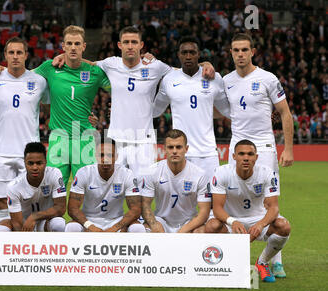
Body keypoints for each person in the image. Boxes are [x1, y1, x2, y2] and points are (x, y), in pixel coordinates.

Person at [53, 27, 215, 179]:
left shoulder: (155, 66)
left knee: (143, 194)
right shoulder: (110, 64)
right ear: (119, 45)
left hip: (143, 141)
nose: (130, 46)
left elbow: (181, 71)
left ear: (141, 45)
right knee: (110, 192)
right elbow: (87, 63)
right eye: (126, 42)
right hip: (116, 140)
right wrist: (64, 56)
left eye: (134, 42)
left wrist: (204, 64)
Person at [0, 25, 110, 184]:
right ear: (63, 46)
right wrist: (4, 69)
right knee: (52, 191)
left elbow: (119, 91)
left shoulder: (95, 72)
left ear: (84, 46)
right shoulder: (49, 67)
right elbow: (23, 76)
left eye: (77, 44)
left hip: (84, 138)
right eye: (69, 43)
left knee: (88, 191)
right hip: (58, 139)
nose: (73, 47)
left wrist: (106, 115)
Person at [223, 33, 294, 277]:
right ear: (230, 53)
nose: (240, 54)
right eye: (235, 50)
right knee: (236, 199)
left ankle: (273, 260)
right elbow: (221, 110)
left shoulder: (268, 79)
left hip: (264, 147)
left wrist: (289, 148)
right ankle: (232, 259)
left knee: (268, 202)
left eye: (244, 49)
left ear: (252, 51)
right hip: (237, 146)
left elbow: (285, 113)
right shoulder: (226, 80)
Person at [0, 37, 50, 225]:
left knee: (31, 200)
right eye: (11, 52)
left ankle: (28, 240)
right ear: (5, 55)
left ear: (26, 55)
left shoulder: (39, 81)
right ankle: (3, 238)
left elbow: (47, 106)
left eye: (19, 52)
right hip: (2, 151)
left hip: (29, 153)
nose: (15, 56)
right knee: (0, 201)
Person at [205, 140, 291, 283]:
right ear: (234, 156)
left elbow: (274, 207)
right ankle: (226, 265)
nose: (246, 158)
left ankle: (262, 262)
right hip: (230, 220)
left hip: (258, 220)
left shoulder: (267, 173)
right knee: (211, 226)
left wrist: (260, 224)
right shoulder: (222, 172)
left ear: (256, 157)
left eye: (250, 154)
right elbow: (217, 207)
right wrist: (232, 221)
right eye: (241, 154)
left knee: (284, 226)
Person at [153, 36, 230, 181]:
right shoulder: (169, 80)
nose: (188, 56)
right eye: (184, 52)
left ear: (198, 54)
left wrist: (256, 114)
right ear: (178, 55)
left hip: (207, 154)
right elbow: (155, 111)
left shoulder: (214, 78)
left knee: (210, 202)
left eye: (192, 52)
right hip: (180, 153)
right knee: (181, 203)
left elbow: (227, 110)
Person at [66, 139, 144, 232]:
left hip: (116, 220)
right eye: (101, 155)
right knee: (72, 227)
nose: (105, 159)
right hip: (89, 220)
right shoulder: (84, 173)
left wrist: (115, 227)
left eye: (110, 155)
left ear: (116, 156)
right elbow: (72, 208)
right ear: (96, 156)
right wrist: (90, 226)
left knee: (138, 228)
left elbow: (136, 209)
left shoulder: (127, 174)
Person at [141, 129, 212, 233]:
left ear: (186, 149)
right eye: (170, 147)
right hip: (162, 221)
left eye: (178, 147)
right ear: (164, 149)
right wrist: (155, 224)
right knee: (144, 228)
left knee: (201, 230)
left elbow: (204, 212)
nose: (174, 151)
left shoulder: (200, 174)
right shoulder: (152, 171)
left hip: (188, 222)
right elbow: (145, 205)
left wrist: (182, 231)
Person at [0, 142, 67, 232]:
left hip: (45, 221)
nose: (35, 167)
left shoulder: (54, 174)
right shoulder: (13, 187)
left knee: (58, 224)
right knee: (1, 229)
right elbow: (17, 223)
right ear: (24, 163)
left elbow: (61, 208)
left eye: (39, 163)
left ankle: (55, 246)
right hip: (24, 224)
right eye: (30, 163)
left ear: (45, 162)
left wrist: (34, 217)